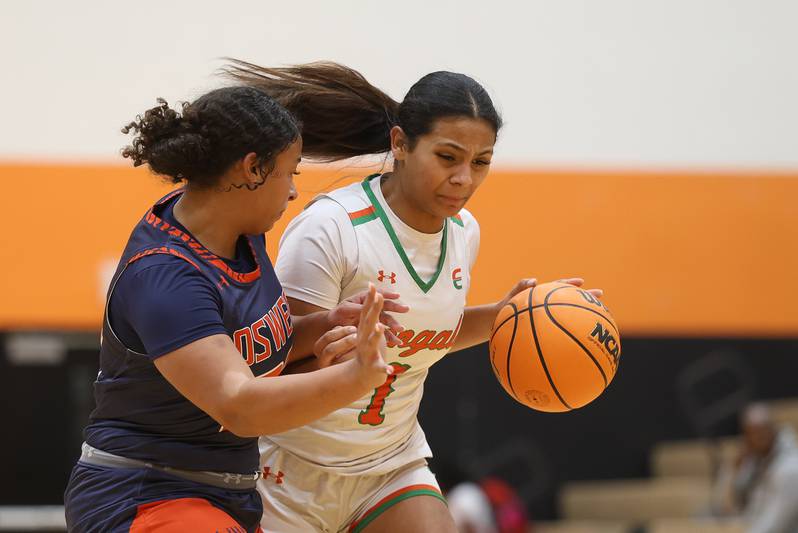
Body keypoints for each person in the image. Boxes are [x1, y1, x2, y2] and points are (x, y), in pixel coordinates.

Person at [227, 60, 602, 533]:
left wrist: (515, 315)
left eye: (480, 162)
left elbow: (427, 331)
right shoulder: (332, 228)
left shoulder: (465, 233)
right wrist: (340, 354)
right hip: (295, 467)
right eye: (448, 157)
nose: (464, 178)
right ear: (400, 144)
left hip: (390, 463)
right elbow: (273, 363)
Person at [63, 86, 401, 533]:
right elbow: (239, 406)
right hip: (146, 493)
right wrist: (354, 377)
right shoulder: (166, 278)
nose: (295, 191)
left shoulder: (238, 231)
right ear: (251, 169)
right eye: (290, 173)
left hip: (222, 494)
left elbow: (244, 345)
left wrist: (326, 323)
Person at [712, 403, 798, 533]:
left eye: (761, 432)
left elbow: (776, 524)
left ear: (774, 430)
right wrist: (732, 470)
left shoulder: (792, 469)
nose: (756, 438)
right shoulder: (753, 459)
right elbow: (723, 506)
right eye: (750, 434)